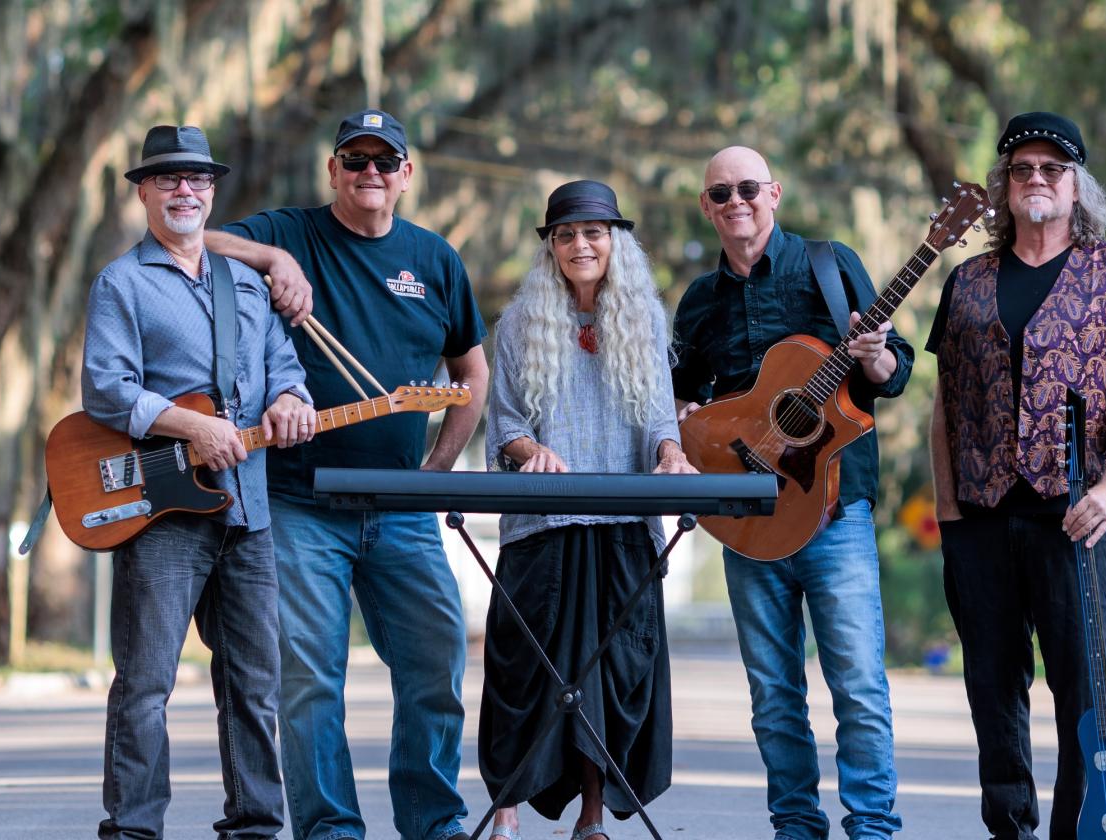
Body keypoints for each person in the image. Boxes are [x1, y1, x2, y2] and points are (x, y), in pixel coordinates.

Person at [205, 108, 488, 840]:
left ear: (405, 174)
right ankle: (330, 831)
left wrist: (436, 470)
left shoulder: (435, 260)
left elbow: (471, 373)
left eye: (383, 161)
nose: (369, 172)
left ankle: (434, 824)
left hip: (403, 509)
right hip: (302, 505)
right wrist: (271, 261)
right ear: (332, 169)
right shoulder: (290, 232)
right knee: (307, 684)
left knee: (435, 667)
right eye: (354, 159)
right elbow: (185, 240)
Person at [927, 111, 1106, 840]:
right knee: (992, 690)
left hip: (1076, 518)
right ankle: (1010, 828)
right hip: (981, 518)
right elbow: (945, 407)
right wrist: (949, 514)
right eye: (1021, 169)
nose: (1036, 180)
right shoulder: (966, 280)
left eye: (1051, 169)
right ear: (1003, 187)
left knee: (1085, 695)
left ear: (1076, 186)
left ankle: (1077, 831)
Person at [83, 124, 316, 840]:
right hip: (163, 513)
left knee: (254, 683)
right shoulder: (121, 283)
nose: (185, 190)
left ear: (212, 192)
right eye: (169, 179)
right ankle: (133, 828)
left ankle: (254, 824)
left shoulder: (245, 282)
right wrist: (193, 428)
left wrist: (289, 400)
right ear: (145, 192)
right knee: (146, 685)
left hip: (248, 514)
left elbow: (285, 363)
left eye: (198, 179)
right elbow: (107, 389)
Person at [672, 147, 909, 840]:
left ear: (774, 192)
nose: (736, 201)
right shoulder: (699, 301)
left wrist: (877, 356)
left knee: (859, 686)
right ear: (707, 206)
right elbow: (684, 399)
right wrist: (693, 435)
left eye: (748, 188)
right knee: (775, 695)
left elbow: (891, 376)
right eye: (721, 193)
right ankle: (796, 827)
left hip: (835, 510)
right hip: (747, 514)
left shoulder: (831, 269)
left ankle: (871, 827)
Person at [480, 181, 695, 840]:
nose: (580, 245)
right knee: (529, 666)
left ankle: (594, 818)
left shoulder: (645, 319)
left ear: (616, 243)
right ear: (551, 246)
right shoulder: (519, 323)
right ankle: (508, 805)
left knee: (605, 672)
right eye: (566, 234)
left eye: (593, 233)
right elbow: (505, 422)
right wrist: (533, 450)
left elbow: (661, 412)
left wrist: (669, 452)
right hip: (544, 524)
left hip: (622, 521)